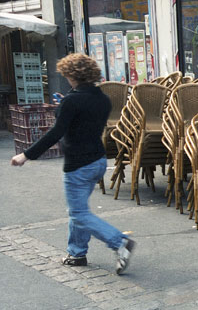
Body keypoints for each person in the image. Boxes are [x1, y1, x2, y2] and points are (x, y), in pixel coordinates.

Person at [10, 53, 136, 274]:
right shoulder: (102, 98)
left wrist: (26, 155)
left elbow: (57, 132)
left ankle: (119, 242)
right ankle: (77, 253)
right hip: (97, 161)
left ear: (72, 75)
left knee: (78, 213)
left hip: (78, 164)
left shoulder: (72, 100)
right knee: (78, 209)